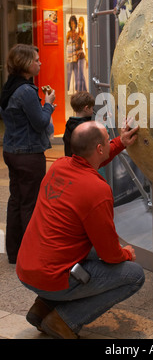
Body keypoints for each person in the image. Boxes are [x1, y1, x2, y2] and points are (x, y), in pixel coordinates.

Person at [16, 120, 144, 339]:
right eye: (107, 140)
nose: (108, 143)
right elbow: (111, 255)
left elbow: (91, 161)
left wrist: (120, 142)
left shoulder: (59, 165)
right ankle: (64, 320)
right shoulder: (98, 190)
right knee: (133, 275)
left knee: (89, 254)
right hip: (52, 278)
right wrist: (126, 254)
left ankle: (43, 307)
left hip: (26, 269)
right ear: (99, 148)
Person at [0, 43, 56, 263]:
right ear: (25, 64)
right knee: (30, 203)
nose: (39, 63)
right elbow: (41, 122)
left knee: (16, 199)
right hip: (28, 154)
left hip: (12, 150)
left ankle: (15, 252)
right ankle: (31, 254)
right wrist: (49, 104)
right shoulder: (26, 91)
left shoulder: (9, 87)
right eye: (36, 60)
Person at [63, 91, 95, 157]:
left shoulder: (70, 123)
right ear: (86, 108)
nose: (93, 110)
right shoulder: (85, 127)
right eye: (92, 108)